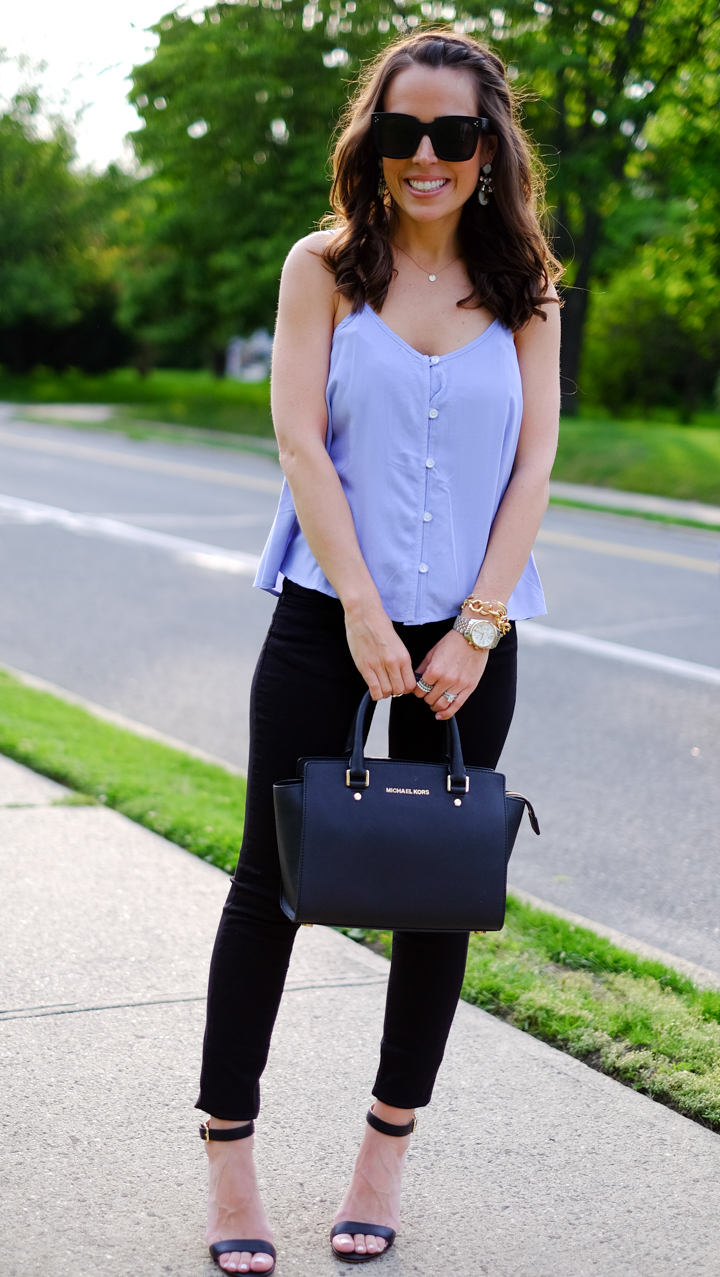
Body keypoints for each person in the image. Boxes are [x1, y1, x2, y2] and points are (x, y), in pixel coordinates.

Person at [196, 29, 561, 1274]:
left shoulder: (527, 288)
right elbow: (300, 439)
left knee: (436, 894)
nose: (425, 155)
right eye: (403, 129)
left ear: (487, 148)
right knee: (270, 885)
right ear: (374, 137)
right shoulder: (325, 268)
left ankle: (381, 1153)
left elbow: (536, 469)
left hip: (473, 632)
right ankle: (230, 1158)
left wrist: (477, 623)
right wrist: (359, 605)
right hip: (323, 612)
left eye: (453, 135)